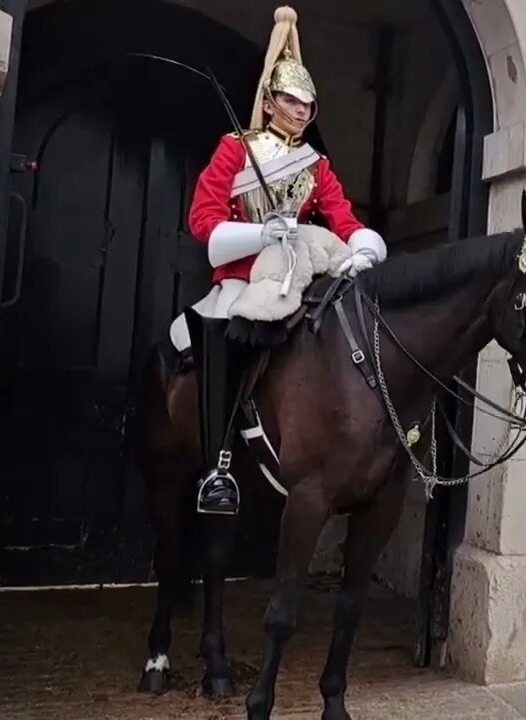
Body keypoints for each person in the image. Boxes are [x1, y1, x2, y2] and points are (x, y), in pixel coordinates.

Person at [181, 5, 388, 515]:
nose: (300, 111)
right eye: (291, 101)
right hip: (241, 273)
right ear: (269, 102)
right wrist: (258, 232)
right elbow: (202, 219)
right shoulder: (235, 149)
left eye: (308, 106)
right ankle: (219, 465)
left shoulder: (316, 167)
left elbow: (342, 217)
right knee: (223, 334)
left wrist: (363, 248)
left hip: (299, 269)